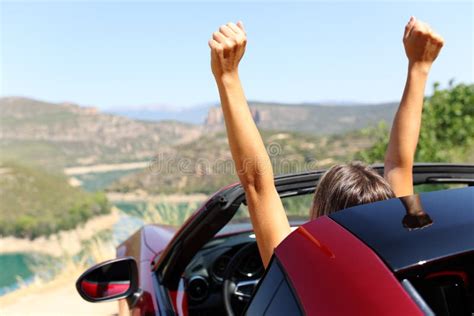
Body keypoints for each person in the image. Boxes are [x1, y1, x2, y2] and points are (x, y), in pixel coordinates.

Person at [208, 17, 444, 267]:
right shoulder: (406, 251)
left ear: (320, 214)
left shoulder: (302, 268)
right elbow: (399, 165)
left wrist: (227, 74)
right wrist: (420, 65)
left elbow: (257, 183)